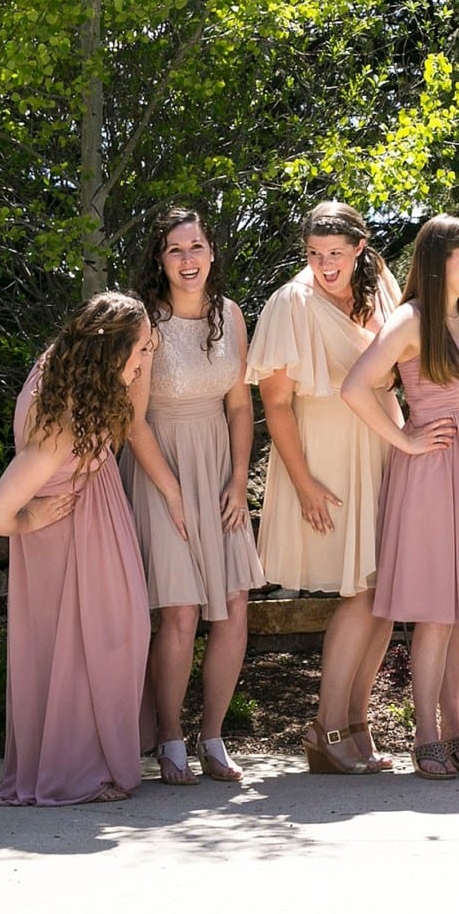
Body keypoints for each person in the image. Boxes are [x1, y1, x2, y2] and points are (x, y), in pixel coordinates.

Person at [341, 214, 459, 780]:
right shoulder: (410, 320)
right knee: (437, 607)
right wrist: (405, 438)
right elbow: (355, 386)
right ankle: (425, 735)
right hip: (433, 468)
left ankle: (456, 727)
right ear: (438, 262)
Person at [0, 292, 154, 806]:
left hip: (92, 520)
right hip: (63, 538)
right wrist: (32, 516)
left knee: (108, 638)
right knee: (79, 650)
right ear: (110, 350)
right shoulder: (59, 428)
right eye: (141, 351)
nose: (145, 363)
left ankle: (89, 761)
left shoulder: (75, 375)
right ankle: (74, 772)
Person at [247, 202, 402, 774]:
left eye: (334, 254)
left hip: (386, 446)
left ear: (359, 247)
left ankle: (357, 729)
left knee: (388, 594)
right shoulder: (292, 302)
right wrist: (303, 481)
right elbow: (276, 402)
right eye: (313, 254)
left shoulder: (383, 287)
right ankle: (326, 726)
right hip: (327, 458)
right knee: (358, 591)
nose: (323, 265)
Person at [119, 208, 264, 785]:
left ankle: (213, 736)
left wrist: (237, 480)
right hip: (159, 465)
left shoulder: (231, 315)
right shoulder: (144, 324)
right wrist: (175, 492)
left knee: (234, 606)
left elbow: (238, 405)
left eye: (196, 247)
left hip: (219, 469)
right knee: (178, 611)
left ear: (211, 253)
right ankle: (170, 738)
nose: (188, 260)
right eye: (175, 250)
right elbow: (132, 423)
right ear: (160, 259)